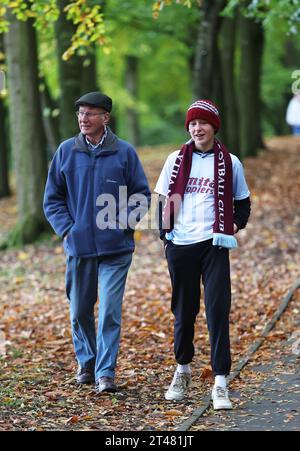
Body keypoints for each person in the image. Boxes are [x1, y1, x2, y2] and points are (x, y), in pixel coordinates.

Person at [44, 92, 151, 393]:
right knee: (79, 311)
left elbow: (141, 195)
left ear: (106, 117)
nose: (83, 118)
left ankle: (106, 372)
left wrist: (123, 224)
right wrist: (68, 230)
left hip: (116, 250)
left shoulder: (125, 153)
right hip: (79, 248)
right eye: (80, 113)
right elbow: (52, 199)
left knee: (109, 312)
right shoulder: (66, 152)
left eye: (90, 113)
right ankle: (87, 363)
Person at [154, 100, 251, 409]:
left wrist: (231, 226)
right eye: (192, 123)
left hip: (214, 245)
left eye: (203, 123)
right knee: (184, 310)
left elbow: (243, 204)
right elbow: (163, 199)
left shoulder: (230, 162)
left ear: (214, 127)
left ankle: (221, 381)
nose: (197, 128)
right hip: (180, 244)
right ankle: (182, 370)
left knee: (217, 309)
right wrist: (165, 236)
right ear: (188, 128)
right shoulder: (175, 160)